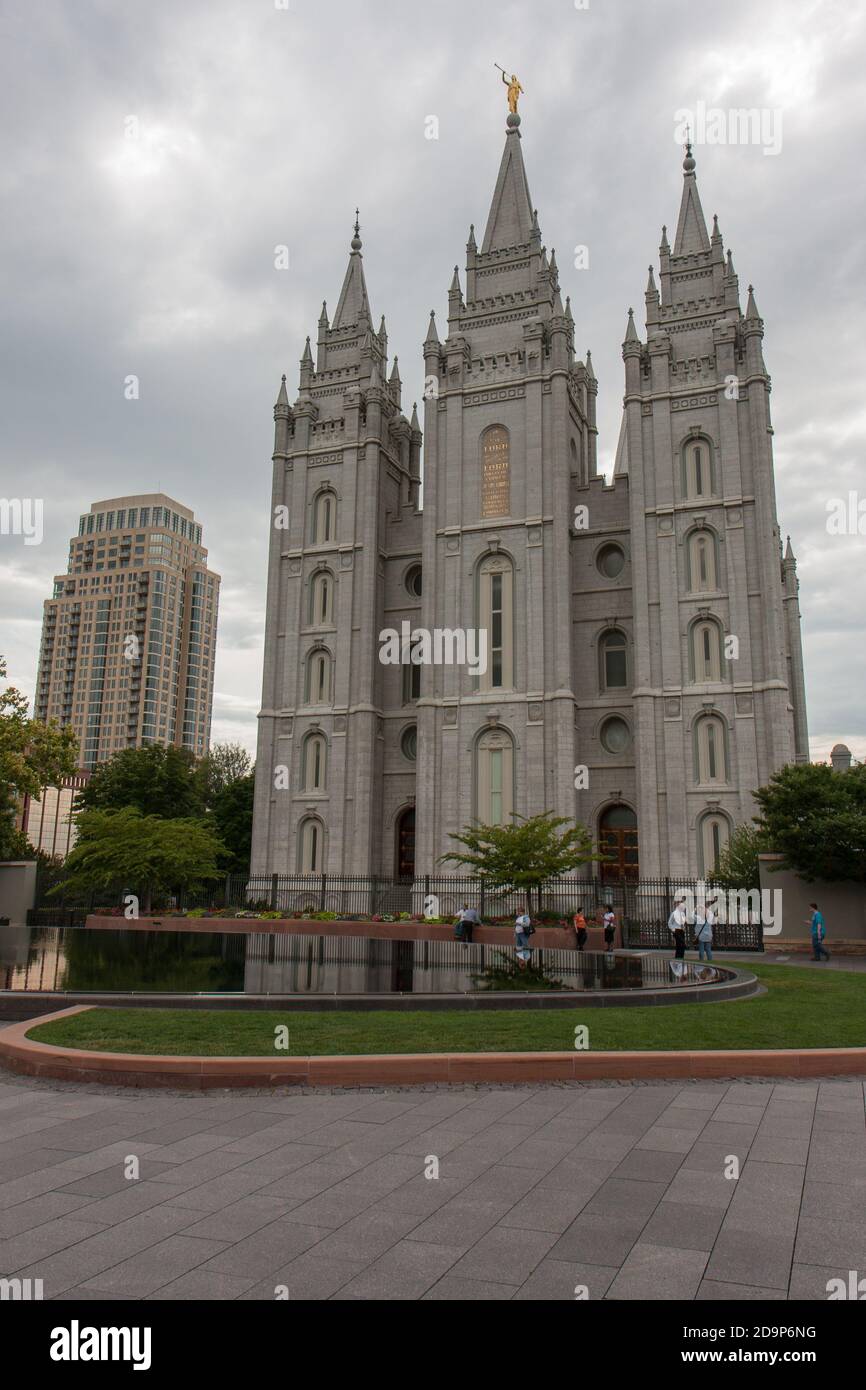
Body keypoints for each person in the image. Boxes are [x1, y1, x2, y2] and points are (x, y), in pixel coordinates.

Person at [695, 897, 716, 962]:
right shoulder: (710, 915)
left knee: (701, 949)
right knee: (708, 949)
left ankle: (701, 961)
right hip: (708, 935)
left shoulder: (699, 917)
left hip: (701, 935)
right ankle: (710, 961)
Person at [667, 896, 687, 960]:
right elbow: (669, 923)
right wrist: (673, 930)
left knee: (681, 945)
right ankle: (678, 958)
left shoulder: (683, 914)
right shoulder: (673, 913)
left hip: (681, 930)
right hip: (676, 930)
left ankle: (680, 958)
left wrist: (684, 927)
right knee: (680, 944)